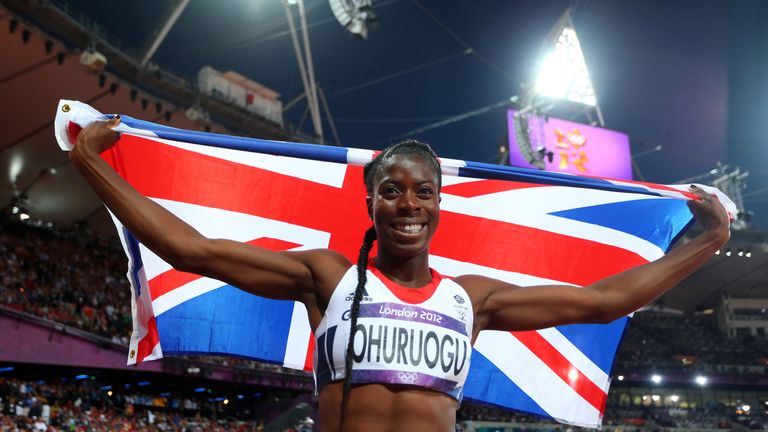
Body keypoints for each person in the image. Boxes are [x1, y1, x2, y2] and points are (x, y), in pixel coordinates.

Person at [70, 118, 730, 432]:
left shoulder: (473, 299)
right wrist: (89, 162)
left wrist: (706, 241)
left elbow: (605, 301)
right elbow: (193, 250)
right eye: (392, 192)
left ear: (440, 203)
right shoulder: (325, 278)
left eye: (422, 193)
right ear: (371, 202)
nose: (407, 205)